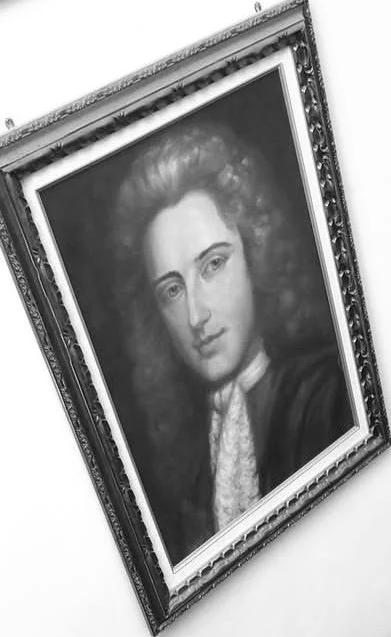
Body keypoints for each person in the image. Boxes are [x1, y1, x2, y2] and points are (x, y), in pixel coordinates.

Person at [111, 120, 354, 566]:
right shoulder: (191, 466)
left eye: (213, 265)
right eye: (171, 290)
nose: (196, 315)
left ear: (256, 253)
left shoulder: (328, 396)